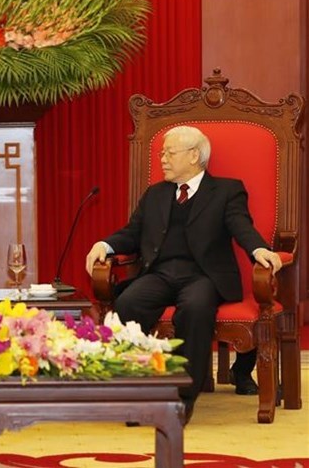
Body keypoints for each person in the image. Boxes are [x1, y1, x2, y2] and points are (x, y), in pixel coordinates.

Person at [85, 125, 281, 424]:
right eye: (162, 152)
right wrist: (104, 244)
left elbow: (241, 226)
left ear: (194, 156)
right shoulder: (155, 193)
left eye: (169, 152)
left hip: (204, 276)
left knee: (196, 307)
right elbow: (133, 233)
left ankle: (182, 397)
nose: (162, 158)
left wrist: (258, 250)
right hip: (160, 273)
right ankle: (139, 392)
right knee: (129, 304)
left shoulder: (227, 190)